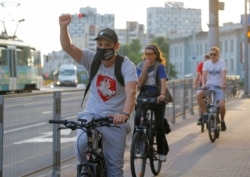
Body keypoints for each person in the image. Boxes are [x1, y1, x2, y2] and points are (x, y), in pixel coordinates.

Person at [59, 14, 137, 177]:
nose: (102, 48)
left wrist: (124, 114)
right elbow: (69, 48)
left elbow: (131, 93)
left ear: (116, 46)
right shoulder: (91, 58)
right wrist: (63, 27)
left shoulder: (126, 65)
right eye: (99, 44)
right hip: (91, 115)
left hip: (114, 119)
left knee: (114, 168)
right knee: (81, 150)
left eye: (107, 45)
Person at [135, 44, 169, 162]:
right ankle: (138, 145)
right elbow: (138, 85)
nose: (148, 56)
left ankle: (161, 151)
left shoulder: (159, 66)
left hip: (157, 96)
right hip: (144, 95)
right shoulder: (140, 66)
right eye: (146, 54)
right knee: (137, 119)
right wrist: (144, 69)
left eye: (150, 54)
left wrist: (162, 95)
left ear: (156, 55)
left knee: (159, 126)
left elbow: (163, 82)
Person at [197, 46, 227, 131]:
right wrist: (203, 84)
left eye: (214, 54)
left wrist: (224, 83)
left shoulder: (222, 62)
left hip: (219, 86)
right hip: (209, 86)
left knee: (221, 105)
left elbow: (223, 74)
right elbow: (203, 75)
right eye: (211, 54)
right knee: (199, 95)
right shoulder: (207, 63)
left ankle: (222, 121)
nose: (212, 56)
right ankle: (205, 114)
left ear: (218, 55)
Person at [193, 54, 210, 125]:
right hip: (202, 84)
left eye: (207, 60)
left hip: (211, 84)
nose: (206, 62)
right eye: (205, 60)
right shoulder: (201, 65)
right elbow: (198, 75)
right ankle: (201, 117)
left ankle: (215, 115)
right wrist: (194, 84)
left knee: (213, 100)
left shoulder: (212, 65)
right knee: (201, 100)